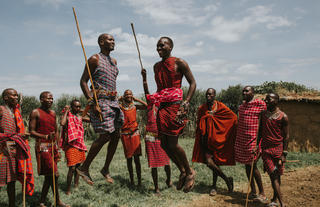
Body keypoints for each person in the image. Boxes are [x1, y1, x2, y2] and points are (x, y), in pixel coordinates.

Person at [148, 36, 196, 193]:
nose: (159, 48)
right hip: (162, 107)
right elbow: (160, 89)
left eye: (162, 45)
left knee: (173, 144)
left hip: (175, 106)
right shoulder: (156, 67)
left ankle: (189, 172)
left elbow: (193, 83)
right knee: (163, 144)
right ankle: (182, 170)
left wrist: (186, 102)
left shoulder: (179, 62)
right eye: (157, 46)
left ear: (170, 46)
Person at [77, 33, 124, 185]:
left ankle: (105, 169)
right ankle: (84, 168)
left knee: (117, 134)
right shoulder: (94, 59)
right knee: (105, 135)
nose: (113, 42)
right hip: (100, 101)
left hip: (113, 101)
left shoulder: (114, 61)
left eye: (113, 40)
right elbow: (83, 81)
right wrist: (92, 102)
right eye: (110, 40)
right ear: (101, 42)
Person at [192, 88, 237, 196]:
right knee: (210, 163)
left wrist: (223, 133)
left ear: (215, 95)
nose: (208, 96)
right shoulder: (202, 108)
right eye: (207, 94)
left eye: (210, 94)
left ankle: (214, 186)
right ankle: (227, 180)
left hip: (218, 140)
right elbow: (199, 124)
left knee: (214, 164)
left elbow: (233, 117)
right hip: (206, 141)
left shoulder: (220, 106)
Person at [29, 91, 69, 207]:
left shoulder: (53, 113)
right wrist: (45, 136)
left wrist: (57, 145)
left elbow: (55, 130)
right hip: (42, 146)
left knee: (49, 176)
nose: (51, 101)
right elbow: (31, 131)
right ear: (41, 99)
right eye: (48, 98)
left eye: (52, 99)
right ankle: (57, 201)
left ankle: (41, 201)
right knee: (54, 174)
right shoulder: (35, 112)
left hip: (53, 147)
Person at [234, 86, 268, 203]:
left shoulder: (260, 104)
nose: (244, 92)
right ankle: (253, 191)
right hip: (242, 140)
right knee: (247, 166)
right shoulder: (241, 107)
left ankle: (262, 193)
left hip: (253, 141)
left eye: (247, 90)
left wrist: (259, 144)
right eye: (243, 91)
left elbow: (263, 125)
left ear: (253, 92)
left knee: (253, 165)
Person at [141, 69, 172, 194]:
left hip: (162, 136)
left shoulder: (165, 106)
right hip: (150, 136)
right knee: (153, 164)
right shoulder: (150, 104)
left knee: (167, 162)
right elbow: (146, 91)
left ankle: (169, 181)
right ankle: (157, 188)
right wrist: (144, 78)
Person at [0, 88, 30, 207]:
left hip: (11, 150)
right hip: (1, 150)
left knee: (11, 181)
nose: (16, 97)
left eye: (17, 95)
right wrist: (14, 135)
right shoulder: (1, 109)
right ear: (6, 98)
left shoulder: (15, 112)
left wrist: (20, 136)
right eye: (14, 95)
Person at [260, 93, 289, 207]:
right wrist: (257, 146)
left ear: (277, 100)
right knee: (273, 175)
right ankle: (282, 204)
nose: (266, 101)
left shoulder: (283, 116)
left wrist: (284, 154)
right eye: (265, 99)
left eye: (269, 99)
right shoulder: (263, 114)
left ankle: (275, 200)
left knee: (277, 176)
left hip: (278, 150)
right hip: (266, 150)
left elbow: (286, 137)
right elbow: (260, 132)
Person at [60, 100, 90, 195]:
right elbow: (62, 123)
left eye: (79, 107)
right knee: (72, 167)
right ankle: (68, 189)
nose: (77, 108)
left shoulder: (79, 117)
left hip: (80, 144)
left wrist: (83, 111)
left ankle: (76, 186)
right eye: (76, 107)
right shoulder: (68, 116)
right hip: (70, 145)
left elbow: (91, 119)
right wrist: (66, 111)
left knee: (78, 166)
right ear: (71, 107)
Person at [118, 90, 146, 186]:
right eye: (126, 94)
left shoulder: (135, 106)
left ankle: (139, 181)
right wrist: (119, 99)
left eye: (130, 94)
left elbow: (147, 106)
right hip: (125, 134)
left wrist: (137, 99)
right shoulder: (121, 107)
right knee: (129, 159)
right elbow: (113, 106)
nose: (128, 96)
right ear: (124, 96)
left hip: (135, 134)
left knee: (137, 159)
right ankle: (132, 181)